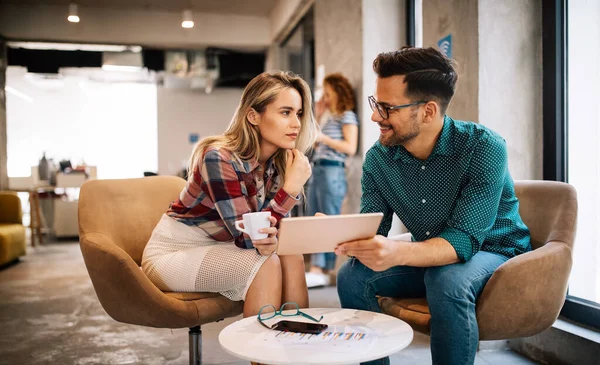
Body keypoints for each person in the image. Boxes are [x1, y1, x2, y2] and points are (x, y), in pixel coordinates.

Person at [335, 47, 531, 365]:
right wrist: (331, 233)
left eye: (387, 108)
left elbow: (462, 241)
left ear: (428, 111)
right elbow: (373, 226)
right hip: (430, 255)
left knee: (447, 278)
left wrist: (397, 253)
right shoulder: (379, 158)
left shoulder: (483, 147)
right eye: (376, 104)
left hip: (495, 252)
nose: (374, 117)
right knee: (352, 277)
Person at [141, 71, 318, 320]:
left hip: (222, 247)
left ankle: (297, 345)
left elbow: (273, 235)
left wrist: (315, 231)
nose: (297, 124)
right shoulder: (218, 157)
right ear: (253, 116)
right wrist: (289, 190)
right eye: (285, 112)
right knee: (266, 265)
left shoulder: (279, 163)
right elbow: (249, 239)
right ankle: (262, 353)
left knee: (292, 256)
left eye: (298, 113)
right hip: (173, 254)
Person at [305, 73, 359, 288]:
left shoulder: (347, 116)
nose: (325, 98)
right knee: (313, 218)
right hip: (318, 170)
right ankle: (321, 270)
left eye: (328, 94)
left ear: (338, 92)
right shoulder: (329, 118)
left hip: (332, 171)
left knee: (325, 219)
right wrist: (317, 115)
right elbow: (316, 144)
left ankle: (319, 269)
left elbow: (350, 147)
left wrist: (324, 138)